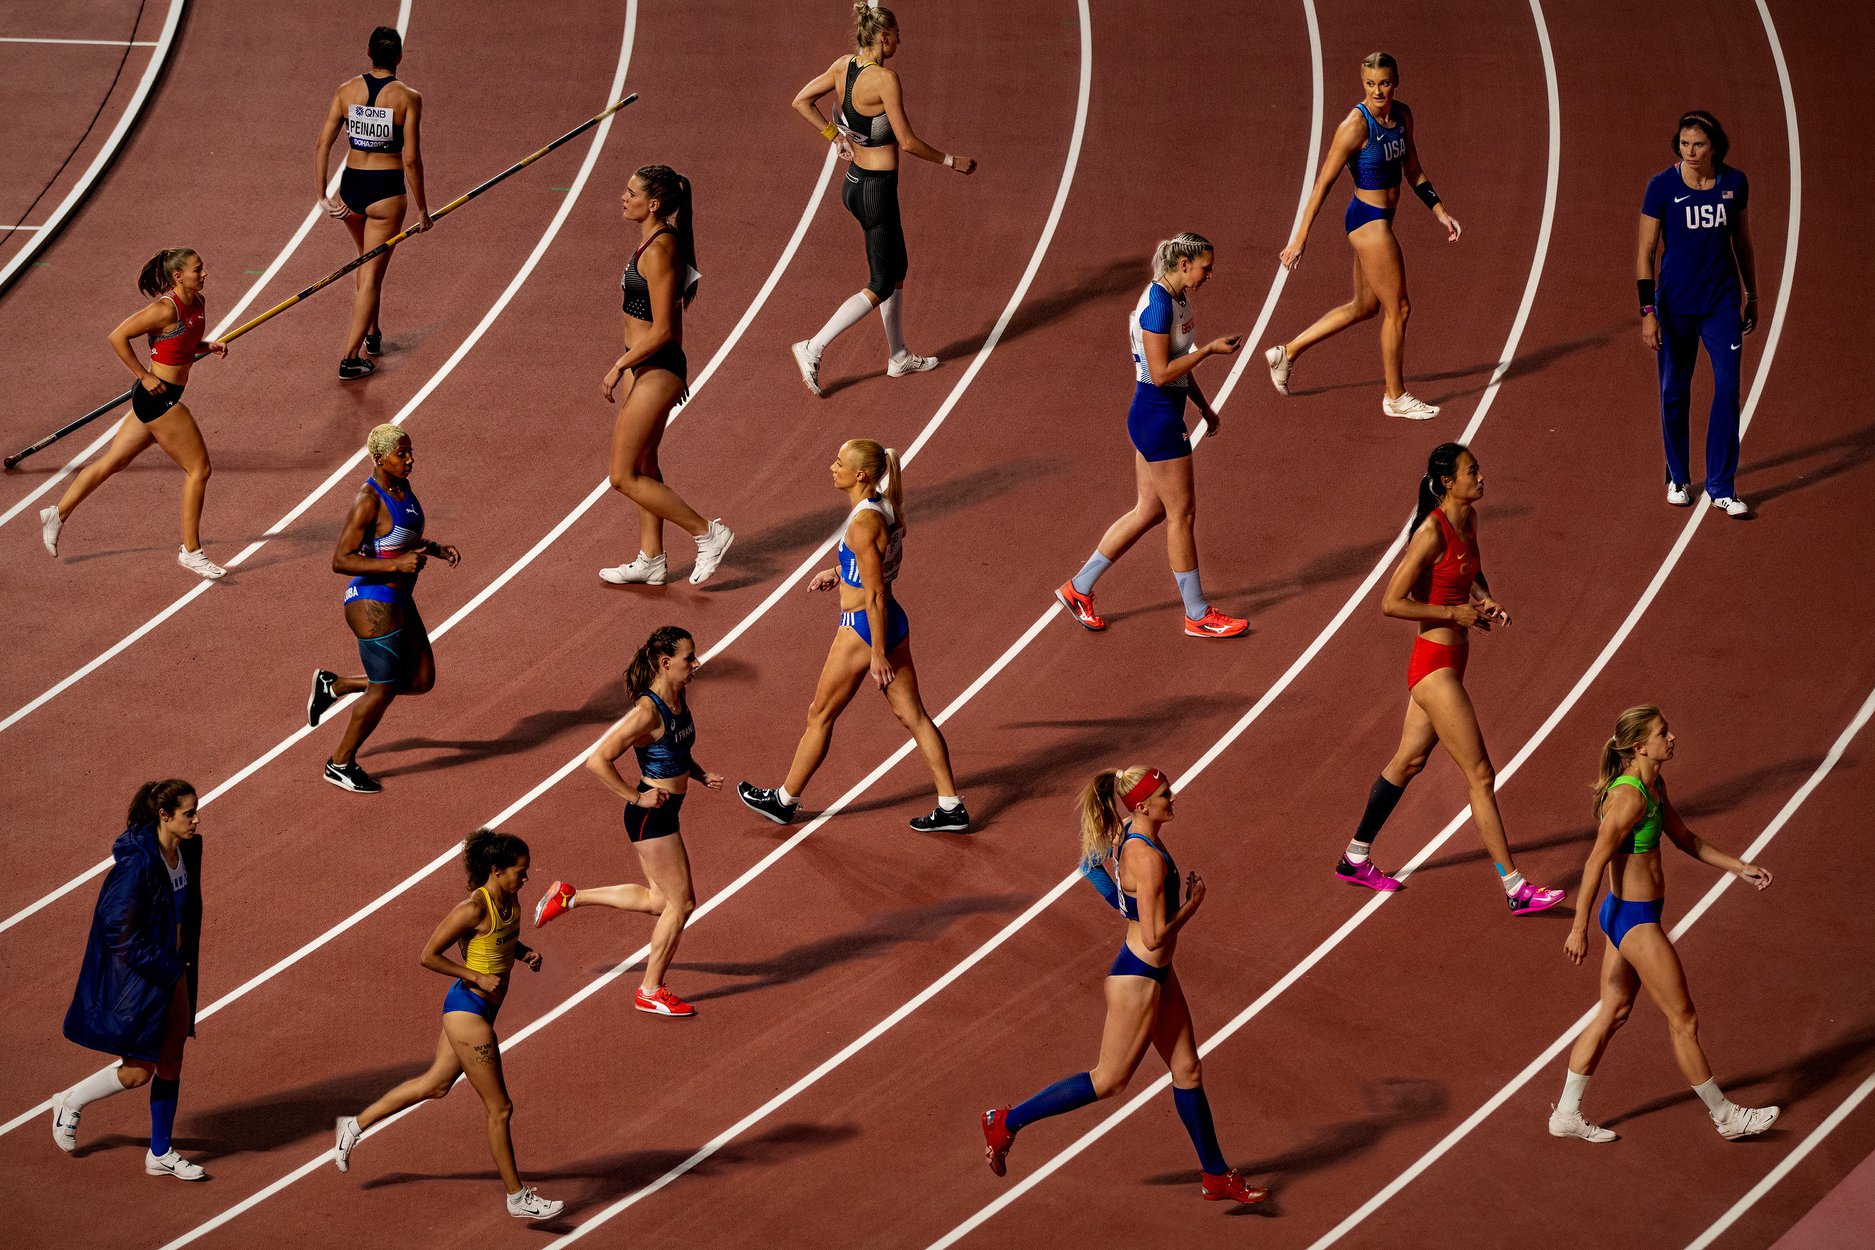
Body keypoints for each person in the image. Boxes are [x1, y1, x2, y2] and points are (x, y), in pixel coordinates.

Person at [980, 767, 1267, 1206]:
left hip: (1156, 975)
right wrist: (1193, 904)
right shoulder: (1145, 855)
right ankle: (1005, 1121)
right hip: (1138, 978)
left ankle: (1215, 1175)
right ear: (1142, 805)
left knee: (1188, 1070)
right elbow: (1154, 936)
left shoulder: (1129, 831)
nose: (1173, 797)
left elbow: (1088, 867)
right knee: (1109, 1080)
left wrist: (1122, 904)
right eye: (1165, 793)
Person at [1332, 442, 1566, 915]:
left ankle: (1355, 856)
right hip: (1434, 667)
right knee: (1481, 775)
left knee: (1408, 762)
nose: (1481, 477)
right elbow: (1390, 602)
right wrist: (1451, 612)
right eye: (1472, 471)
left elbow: (1470, 574)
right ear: (1447, 482)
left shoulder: (1470, 521)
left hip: (1452, 660)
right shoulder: (1430, 533)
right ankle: (1515, 888)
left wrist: (1485, 597)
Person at [1549, 706, 1778, 1142]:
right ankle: (1725, 1117)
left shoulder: (1654, 786)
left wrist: (1738, 865)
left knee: (1613, 1012)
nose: (1671, 737)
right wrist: (1577, 927)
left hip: (1629, 914)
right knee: (1684, 1019)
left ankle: (1565, 1114)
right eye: (1662, 733)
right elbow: (1595, 861)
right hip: (1634, 921)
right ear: (1640, 746)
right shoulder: (1629, 796)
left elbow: (1684, 837)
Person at [333, 829, 563, 1220]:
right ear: (496, 870)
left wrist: (524, 954)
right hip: (467, 1010)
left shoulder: (511, 897)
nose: (526, 878)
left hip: (483, 1008)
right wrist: (475, 976)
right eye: (520, 872)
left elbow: (501, 940)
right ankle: (517, 1197)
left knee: (436, 1085)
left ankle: (353, 1125)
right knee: (501, 1109)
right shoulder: (473, 908)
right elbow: (428, 955)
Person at [737, 439, 967, 832]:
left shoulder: (862, 525)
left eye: (839, 462)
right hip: (893, 620)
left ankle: (784, 801)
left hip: (863, 629)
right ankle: (950, 805)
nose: (832, 467)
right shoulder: (886, 508)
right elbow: (877, 569)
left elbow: (873, 593)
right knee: (914, 716)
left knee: (820, 714)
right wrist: (839, 573)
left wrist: (876, 652)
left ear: (860, 474)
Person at [1054, 233, 1248, 639]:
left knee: (1149, 510)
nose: (1209, 275)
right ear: (1183, 265)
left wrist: (1203, 406)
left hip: (1156, 413)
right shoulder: (1158, 307)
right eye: (1205, 268)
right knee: (1183, 514)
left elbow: (1178, 360)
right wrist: (1211, 350)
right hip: (1157, 417)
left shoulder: (1175, 299)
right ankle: (1197, 614)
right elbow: (1161, 373)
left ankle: (1078, 588)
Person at [534, 626, 724, 1018]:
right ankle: (650, 990)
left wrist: (699, 774)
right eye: (689, 658)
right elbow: (597, 760)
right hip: (650, 815)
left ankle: (570, 897)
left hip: (664, 811)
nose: (697, 663)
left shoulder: (679, 696)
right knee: (682, 903)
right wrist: (638, 796)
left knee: (659, 901)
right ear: (665, 663)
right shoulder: (646, 711)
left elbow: (677, 747)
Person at [787, 2, 976, 396]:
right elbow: (906, 142)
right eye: (898, 34)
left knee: (898, 266)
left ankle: (898, 356)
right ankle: (813, 346)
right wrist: (950, 161)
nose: (901, 40)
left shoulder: (843, 65)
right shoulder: (886, 80)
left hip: (856, 184)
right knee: (880, 282)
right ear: (883, 36)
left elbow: (801, 101)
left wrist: (834, 137)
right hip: (875, 190)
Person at [1264, 52, 1460, 421]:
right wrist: (1300, 238)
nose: (1377, 91)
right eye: (1370, 84)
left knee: (1365, 307)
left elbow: (1414, 171)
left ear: (1395, 81)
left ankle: (1287, 352)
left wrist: (1440, 212)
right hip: (1368, 221)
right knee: (1399, 308)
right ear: (1363, 84)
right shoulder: (1356, 126)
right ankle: (1395, 396)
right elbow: (1322, 184)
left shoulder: (1403, 116)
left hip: (1382, 218)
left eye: (1384, 83)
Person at [40, 249, 229, 578]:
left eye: (203, 268)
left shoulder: (198, 303)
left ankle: (56, 514)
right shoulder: (163, 309)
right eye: (198, 270)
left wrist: (206, 346)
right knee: (199, 469)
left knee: (112, 461)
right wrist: (144, 374)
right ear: (178, 277)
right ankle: (191, 551)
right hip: (159, 399)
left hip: (156, 398)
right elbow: (117, 336)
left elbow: (181, 343)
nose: (205, 274)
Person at [53, 780, 207, 1180]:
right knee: (140, 1071)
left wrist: (179, 966)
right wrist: (166, 967)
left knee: (172, 1060)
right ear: (164, 815)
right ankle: (70, 1101)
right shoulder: (137, 864)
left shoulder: (184, 851)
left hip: (176, 970)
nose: (196, 818)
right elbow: (115, 929)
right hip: (148, 976)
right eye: (189, 812)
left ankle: (160, 1153)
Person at [597, 164, 734, 587]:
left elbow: (664, 329)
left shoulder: (660, 249)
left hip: (653, 366)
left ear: (653, 204)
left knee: (621, 476)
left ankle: (707, 533)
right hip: (646, 365)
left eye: (631, 192)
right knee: (644, 462)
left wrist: (620, 366)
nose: (624, 197)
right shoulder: (653, 243)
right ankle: (651, 560)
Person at [306, 425, 459, 794]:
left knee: (421, 680)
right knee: (382, 691)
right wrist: (395, 566)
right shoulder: (367, 500)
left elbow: (395, 536)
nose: (410, 460)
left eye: (410, 452)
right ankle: (340, 763)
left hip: (399, 601)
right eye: (401, 454)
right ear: (378, 459)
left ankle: (336, 684)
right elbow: (340, 560)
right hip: (372, 604)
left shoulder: (400, 487)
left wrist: (433, 548)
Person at [1637, 110, 1758, 517]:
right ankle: (1677, 475)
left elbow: (1742, 241)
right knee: (1675, 391)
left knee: (1727, 389)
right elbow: (1645, 254)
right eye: (1685, 143)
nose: (1691, 151)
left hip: (1721, 303)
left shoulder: (1734, 183)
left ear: (1715, 146)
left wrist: (1752, 294)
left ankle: (1722, 485)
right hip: (1674, 306)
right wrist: (1648, 311)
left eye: (1699, 144)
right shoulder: (1661, 187)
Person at [314, 25, 431, 379]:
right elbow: (411, 159)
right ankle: (350, 358)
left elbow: (323, 144)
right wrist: (423, 209)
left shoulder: (345, 91)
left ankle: (372, 334)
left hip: (351, 188)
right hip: (385, 190)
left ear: (368, 54)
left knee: (366, 266)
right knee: (371, 276)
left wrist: (321, 195)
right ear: (399, 57)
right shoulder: (408, 98)